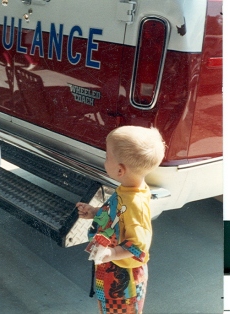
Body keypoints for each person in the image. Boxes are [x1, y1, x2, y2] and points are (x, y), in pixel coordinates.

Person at [76, 126, 165, 314]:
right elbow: (117, 214)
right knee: (107, 309)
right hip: (110, 269)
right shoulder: (129, 188)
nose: (105, 159)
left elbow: (139, 247)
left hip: (125, 280)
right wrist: (95, 212)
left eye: (107, 156)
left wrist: (112, 253)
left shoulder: (135, 204)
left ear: (119, 170)